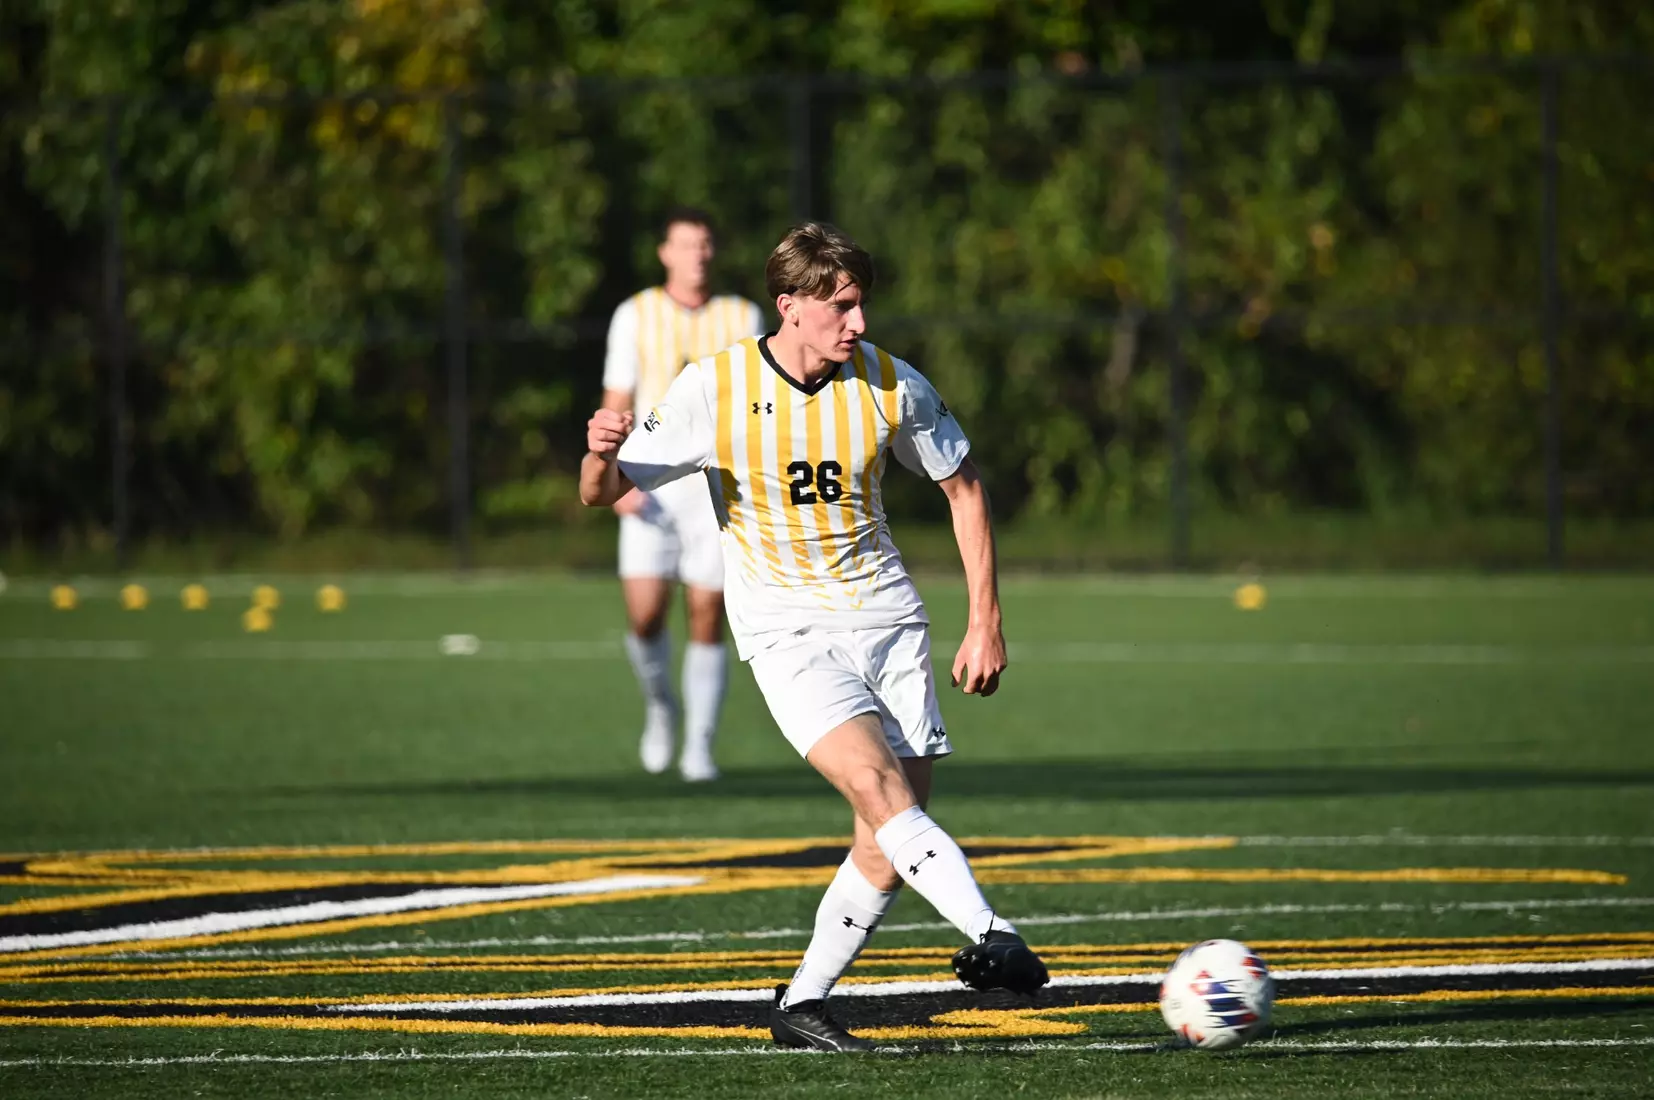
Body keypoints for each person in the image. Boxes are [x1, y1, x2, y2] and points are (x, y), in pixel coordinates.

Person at [580, 222, 1048, 1051]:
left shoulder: (890, 385)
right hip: (787, 630)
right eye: (843, 306)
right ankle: (991, 931)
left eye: (861, 304)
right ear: (789, 306)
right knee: (878, 792)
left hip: (889, 622)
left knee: (882, 840)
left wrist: (986, 621)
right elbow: (601, 490)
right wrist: (597, 455)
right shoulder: (715, 388)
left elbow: (965, 489)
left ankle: (803, 1004)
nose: (858, 323)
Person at [600, 207, 764, 782]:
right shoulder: (635, 314)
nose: (697, 254)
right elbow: (617, 397)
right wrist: (616, 476)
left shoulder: (742, 315)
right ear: (665, 252)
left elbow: (754, 403)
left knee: (706, 611)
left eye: (705, 244)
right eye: (686, 244)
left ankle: (699, 743)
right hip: (651, 483)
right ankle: (661, 707)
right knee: (645, 616)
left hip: (714, 490)